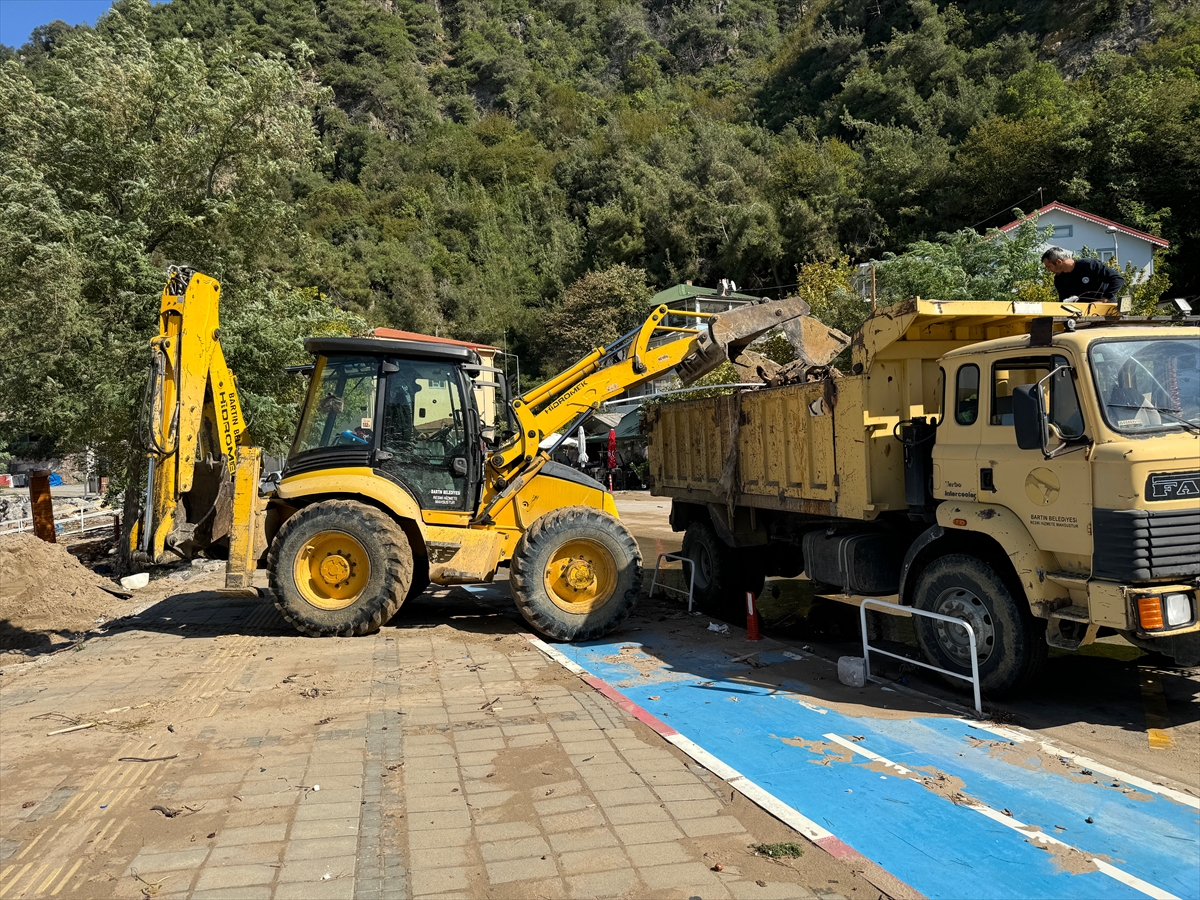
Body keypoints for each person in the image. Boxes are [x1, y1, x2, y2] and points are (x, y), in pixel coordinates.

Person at [1041, 247, 1125, 301]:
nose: (1048, 270)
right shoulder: (1059, 280)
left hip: (1106, 313)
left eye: (1049, 266)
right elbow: (1064, 301)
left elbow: (1117, 279)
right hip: (1082, 317)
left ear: (1059, 262)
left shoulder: (1089, 265)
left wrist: (1106, 298)